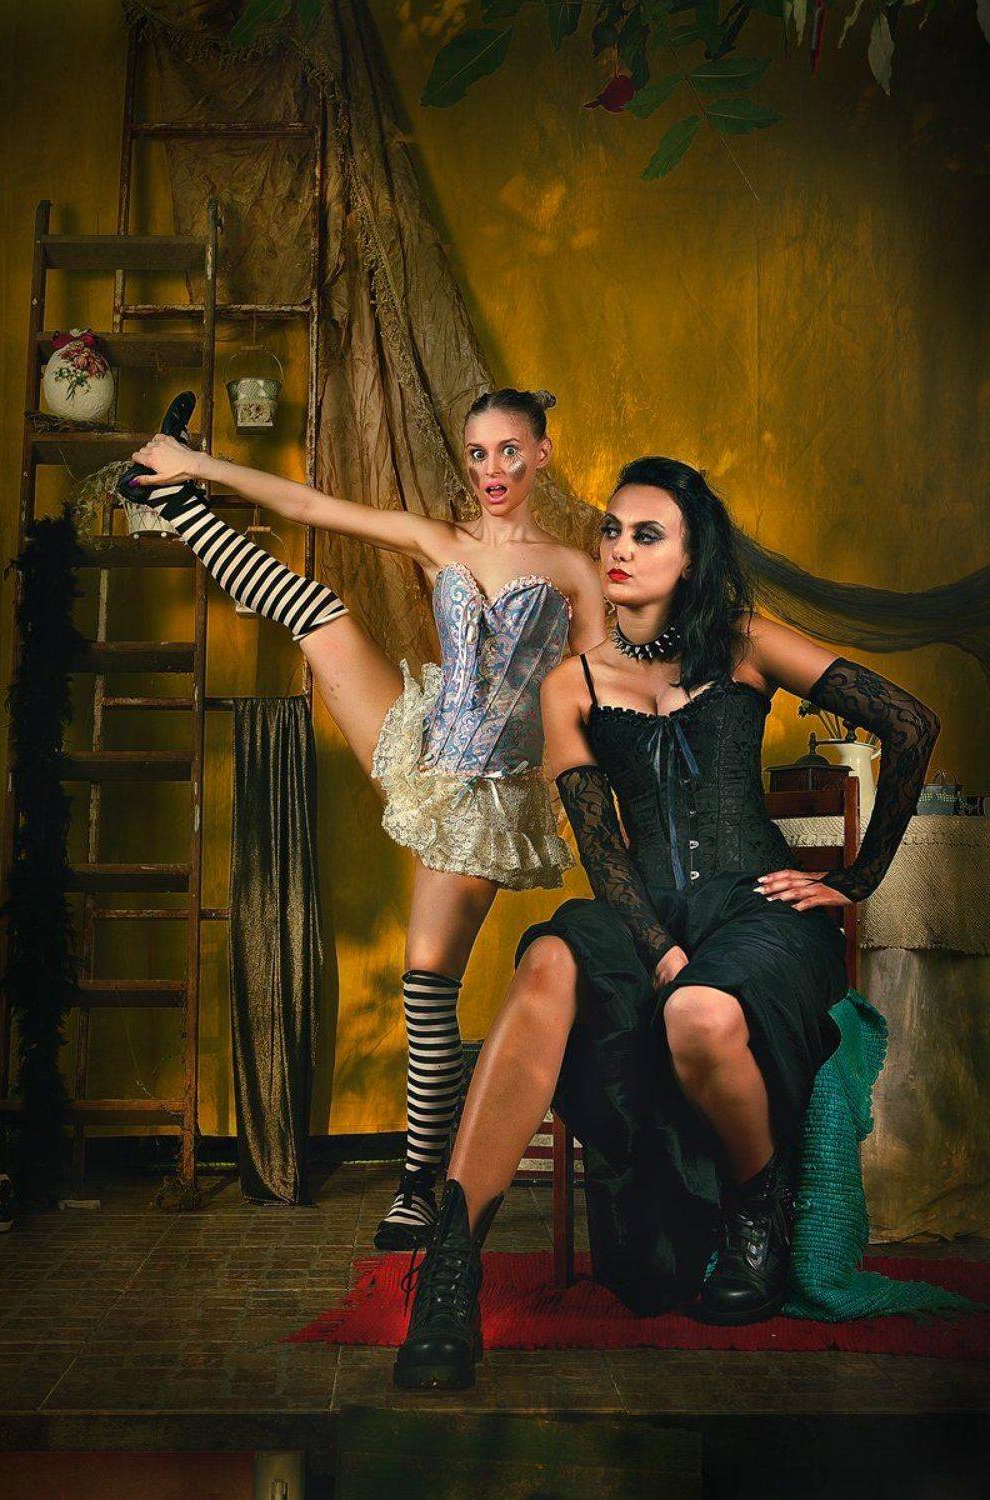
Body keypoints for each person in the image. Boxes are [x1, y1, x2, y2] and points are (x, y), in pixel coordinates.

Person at [393, 456, 941, 1392]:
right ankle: (450, 1271)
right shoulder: (569, 684)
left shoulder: (744, 644)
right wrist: (660, 951)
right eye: (612, 529)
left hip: (757, 912)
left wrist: (857, 879)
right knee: (548, 962)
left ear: (690, 557)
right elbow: (602, 849)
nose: (618, 547)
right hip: (638, 908)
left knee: (699, 1013)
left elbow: (910, 723)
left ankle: (756, 1210)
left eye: (647, 534)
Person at [122, 388, 606, 1246]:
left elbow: (605, 692)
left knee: (426, 984)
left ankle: (419, 1186)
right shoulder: (442, 541)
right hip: (425, 744)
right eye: (478, 453)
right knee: (317, 614)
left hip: (487, 793)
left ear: (542, 454)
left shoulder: (575, 572)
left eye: (509, 451)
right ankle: (171, 497)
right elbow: (311, 506)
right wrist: (196, 463)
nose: (492, 469)